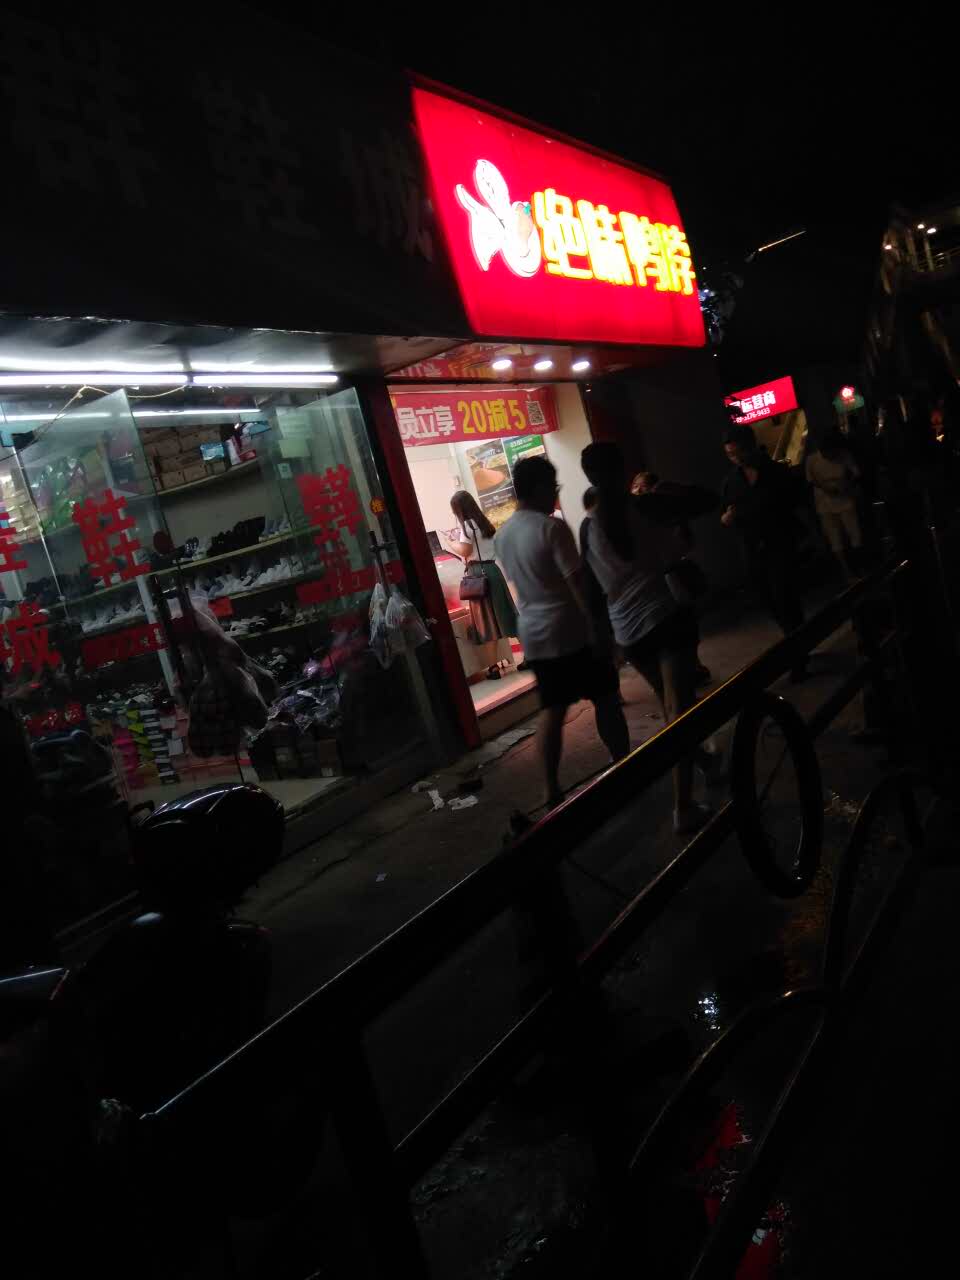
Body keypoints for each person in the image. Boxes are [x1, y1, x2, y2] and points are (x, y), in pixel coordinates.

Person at [581, 442, 721, 835]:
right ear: (622, 468)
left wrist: (605, 639)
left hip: (629, 634)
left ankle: (707, 764)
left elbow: (592, 592)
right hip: (665, 618)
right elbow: (708, 499)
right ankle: (684, 807)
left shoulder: (587, 527)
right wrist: (665, 489)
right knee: (680, 714)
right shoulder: (645, 506)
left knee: (673, 704)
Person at [495, 457, 630, 810]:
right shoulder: (551, 527)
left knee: (552, 710)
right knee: (606, 698)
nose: (555, 496)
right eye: (553, 488)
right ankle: (625, 766)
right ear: (540, 488)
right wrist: (600, 631)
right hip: (570, 630)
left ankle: (551, 789)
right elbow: (578, 585)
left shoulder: (503, 535)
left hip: (535, 635)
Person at [721, 424, 809, 682]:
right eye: (730, 454)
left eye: (739, 452)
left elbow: (797, 503)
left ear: (751, 446)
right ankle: (798, 642)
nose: (736, 458)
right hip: (752, 550)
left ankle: (798, 653)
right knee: (769, 600)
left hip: (779, 544)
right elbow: (727, 513)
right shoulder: (731, 481)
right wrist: (727, 519)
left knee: (785, 599)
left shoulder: (776, 472)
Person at [631, 470, 713, 686]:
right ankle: (687, 670)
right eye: (635, 487)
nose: (638, 491)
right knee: (677, 626)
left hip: (671, 573)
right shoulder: (635, 515)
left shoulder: (664, 511)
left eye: (642, 487)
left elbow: (684, 541)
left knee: (684, 621)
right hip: (658, 577)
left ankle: (692, 666)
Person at [445, 490, 518, 681]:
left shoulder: (467, 526)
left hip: (478, 575)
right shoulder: (484, 523)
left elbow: (465, 550)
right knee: (507, 614)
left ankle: (493, 667)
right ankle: (531, 657)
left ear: (459, 510)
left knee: (485, 621)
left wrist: (449, 542)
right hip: (493, 571)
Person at [804, 429, 863, 577]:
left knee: (854, 534)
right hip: (824, 504)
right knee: (835, 538)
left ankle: (857, 567)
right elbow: (811, 482)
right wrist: (826, 487)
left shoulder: (843, 455)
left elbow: (856, 474)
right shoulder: (812, 460)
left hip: (844, 499)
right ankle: (847, 571)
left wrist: (847, 485)